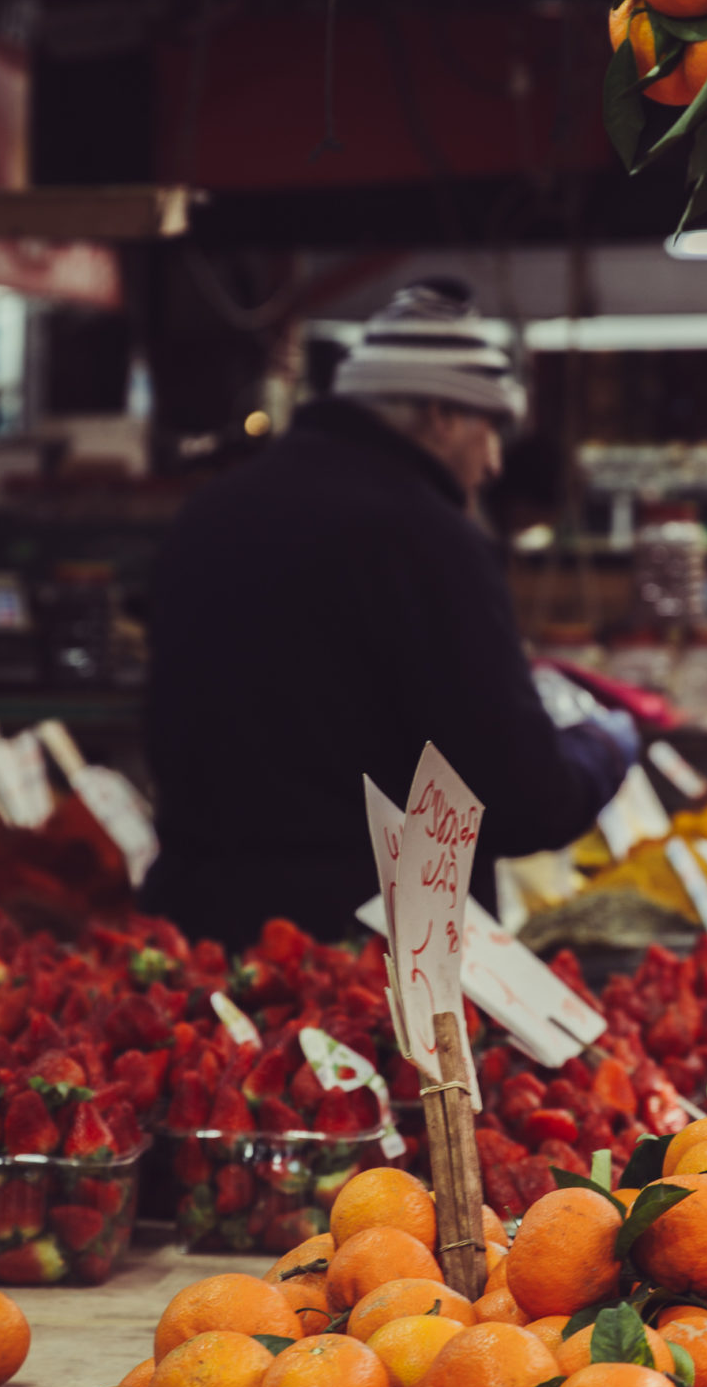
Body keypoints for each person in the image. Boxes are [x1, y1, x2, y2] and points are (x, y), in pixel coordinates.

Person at [142, 280, 638, 944]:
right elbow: (522, 801)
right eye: (488, 427)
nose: (493, 463)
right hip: (364, 962)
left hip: (195, 941)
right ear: (440, 416)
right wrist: (605, 745)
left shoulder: (207, 513)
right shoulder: (427, 539)